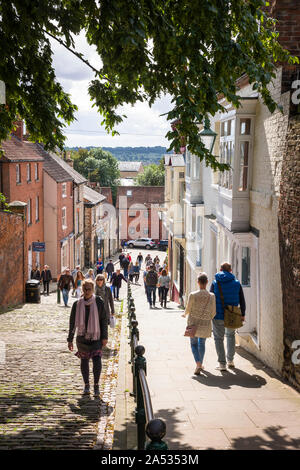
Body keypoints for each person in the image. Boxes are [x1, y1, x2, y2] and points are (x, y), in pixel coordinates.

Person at [67, 279, 108, 396]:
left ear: (93, 289)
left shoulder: (98, 302)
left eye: (89, 289)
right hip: (81, 338)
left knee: (97, 360)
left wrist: (105, 336)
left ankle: (96, 385)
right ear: (82, 289)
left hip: (96, 337)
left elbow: (103, 320)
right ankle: (86, 385)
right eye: (85, 289)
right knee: (84, 361)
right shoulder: (77, 304)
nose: (87, 291)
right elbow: (72, 323)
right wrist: (70, 339)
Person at [210, 262, 246, 371]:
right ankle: (230, 360)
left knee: (218, 338)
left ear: (220, 269)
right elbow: (242, 300)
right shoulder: (236, 283)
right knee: (231, 336)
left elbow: (211, 299)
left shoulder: (215, 283)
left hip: (218, 315)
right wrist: (243, 314)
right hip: (232, 314)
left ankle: (222, 364)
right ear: (230, 270)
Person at [182, 273, 216, 375]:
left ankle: (198, 364)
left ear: (198, 282)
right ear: (207, 282)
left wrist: (184, 314)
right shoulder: (212, 296)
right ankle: (200, 363)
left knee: (193, 344)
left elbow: (188, 308)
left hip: (193, 323)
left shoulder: (193, 295)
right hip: (205, 323)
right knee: (202, 343)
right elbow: (213, 312)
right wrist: (207, 318)